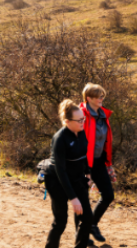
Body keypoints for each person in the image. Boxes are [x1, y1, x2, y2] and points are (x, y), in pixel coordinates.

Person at [44, 99, 93, 248]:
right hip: (57, 181)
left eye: (83, 119)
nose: (82, 122)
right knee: (60, 222)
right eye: (78, 120)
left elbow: (84, 156)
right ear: (67, 121)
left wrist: (88, 174)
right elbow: (61, 170)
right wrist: (73, 198)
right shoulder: (60, 139)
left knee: (88, 218)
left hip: (76, 178)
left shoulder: (82, 132)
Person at [79, 84, 115, 243]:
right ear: (89, 98)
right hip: (82, 162)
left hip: (99, 161)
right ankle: (82, 236)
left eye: (102, 96)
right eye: (99, 96)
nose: (102, 99)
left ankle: (92, 224)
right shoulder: (81, 115)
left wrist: (108, 161)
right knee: (82, 200)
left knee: (108, 195)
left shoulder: (103, 115)